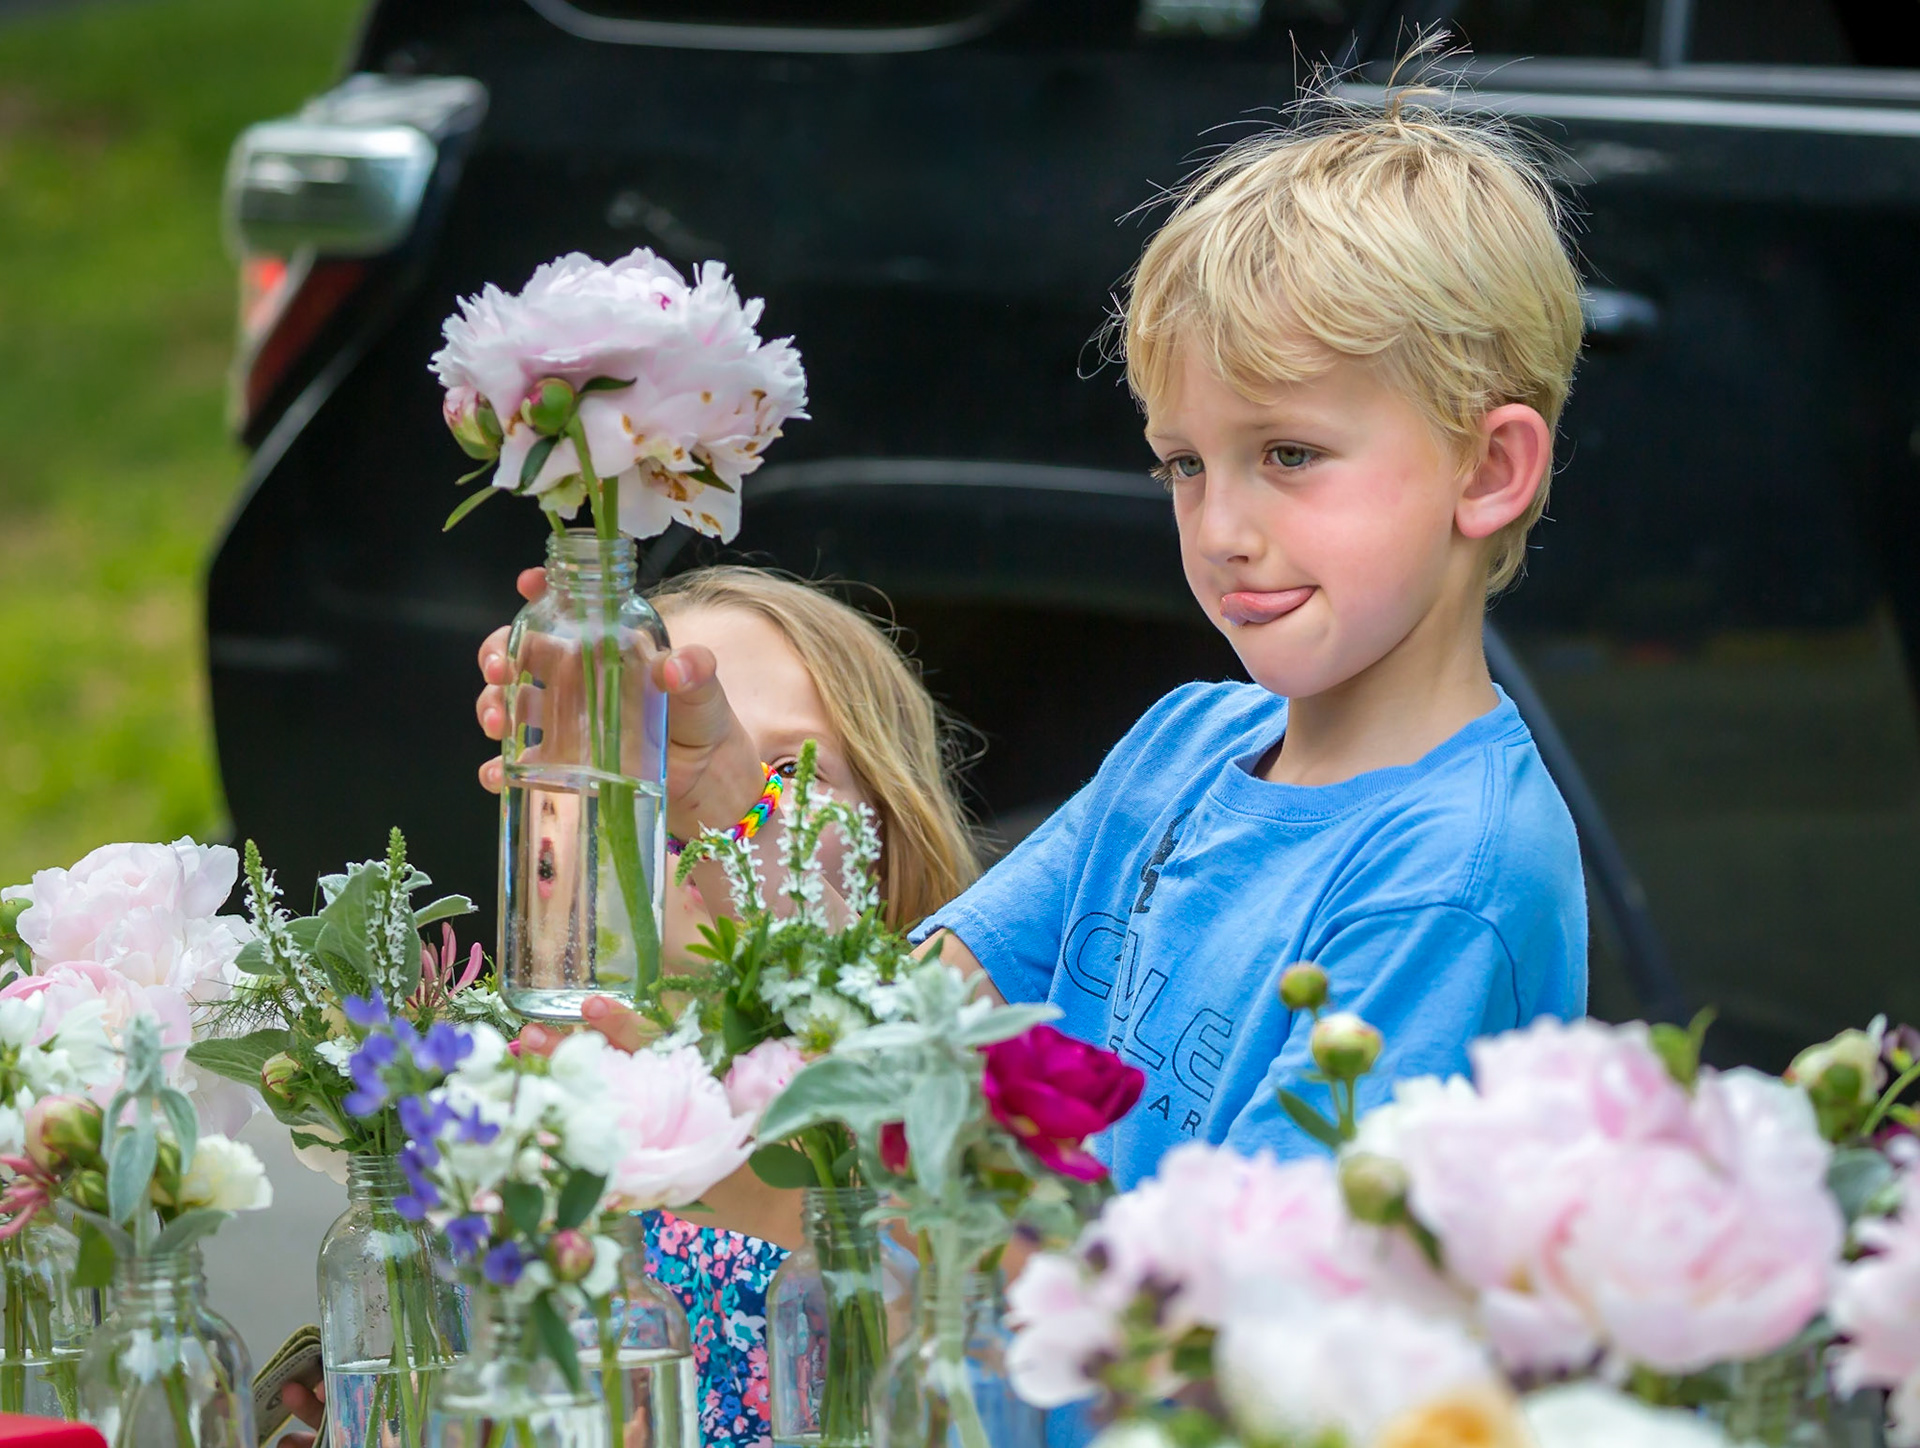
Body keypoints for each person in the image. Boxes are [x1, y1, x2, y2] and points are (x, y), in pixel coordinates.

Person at [580, 87, 1591, 1187]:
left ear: (1489, 470)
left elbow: (1250, 1306)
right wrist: (742, 803)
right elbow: (891, 1036)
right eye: (1185, 464)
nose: (1222, 530)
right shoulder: (1185, 743)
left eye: (1290, 453)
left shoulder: (1451, 876)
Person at [281, 565, 978, 1448]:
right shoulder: (505, 1135)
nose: (705, 786)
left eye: (787, 770)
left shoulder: (931, 1126)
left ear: (893, 845)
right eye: (654, 751)